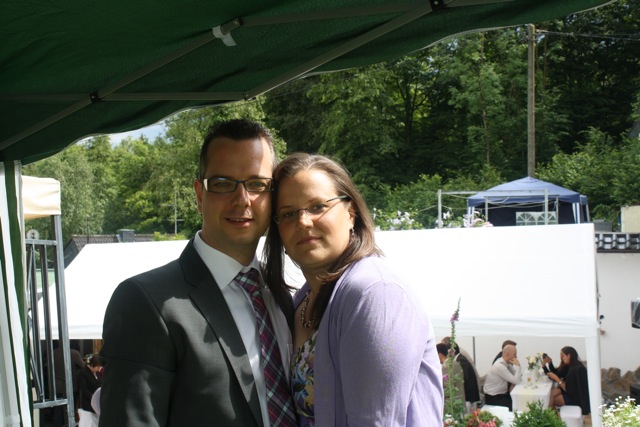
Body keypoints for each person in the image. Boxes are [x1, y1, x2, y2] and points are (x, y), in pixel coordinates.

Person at [100, 119, 296, 426]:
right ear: (199, 194)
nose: (242, 199)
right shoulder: (146, 301)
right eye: (223, 183)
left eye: (257, 184)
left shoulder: (284, 295)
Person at [263, 153, 444, 426]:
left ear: (351, 214)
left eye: (317, 206)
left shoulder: (375, 294)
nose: (303, 222)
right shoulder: (301, 300)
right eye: (288, 213)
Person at [547, 346, 590, 415]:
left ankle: (551, 418)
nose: (562, 358)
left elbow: (568, 389)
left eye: (563, 356)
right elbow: (558, 373)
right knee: (551, 393)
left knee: (550, 400)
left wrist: (556, 378)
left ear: (569, 356)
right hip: (571, 393)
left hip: (576, 399)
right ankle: (554, 418)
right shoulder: (571, 366)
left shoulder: (577, 369)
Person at [52, 341, 85, 427]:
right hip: (71, 386)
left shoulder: (53, 353)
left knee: (58, 410)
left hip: (57, 386)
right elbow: (83, 367)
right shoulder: (74, 353)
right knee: (71, 410)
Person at [483, 344, 521, 410]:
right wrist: (518, 366)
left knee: (518, 401)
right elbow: (516, 381)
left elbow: (517, 376)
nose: (516, 357)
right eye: (514, 354)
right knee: (515, 405)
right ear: (507, 354)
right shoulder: (499, 366)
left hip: (501, 395)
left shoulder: (506, 363)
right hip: (493, 397)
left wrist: (518, 369)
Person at [77, 355, 102, 427]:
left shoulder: (96, 373)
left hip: (97, 401)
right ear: (93, 365)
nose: (99, 369)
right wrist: (93, 398)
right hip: (88, 402)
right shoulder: (83, 373)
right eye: (98, 367)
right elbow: (84, 389)